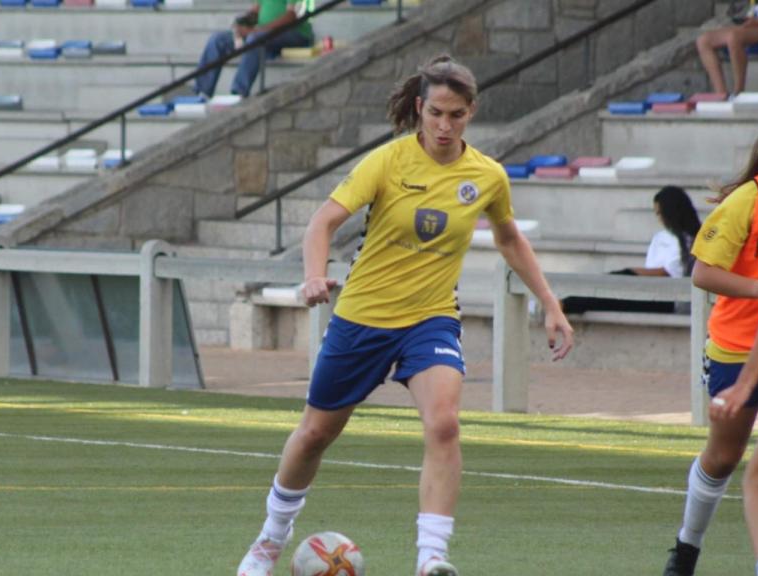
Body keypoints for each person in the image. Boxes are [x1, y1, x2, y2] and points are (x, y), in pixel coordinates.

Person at [235, 55, 575, 576]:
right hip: (363, 318)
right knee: (314, 435)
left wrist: (550, 305)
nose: (444, 126)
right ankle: (268, 542)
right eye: (436, 112)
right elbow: (323, 222)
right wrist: (312, 275)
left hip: (431, 319)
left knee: (444, 424)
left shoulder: (486, 175)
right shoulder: (387, 162)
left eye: (456, 115)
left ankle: (431, 558)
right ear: (419, 108)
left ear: (471, 113)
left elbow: (509, 239)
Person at [662, 89, 758, 576]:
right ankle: (686, 548)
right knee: (723, 457)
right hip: (737, 344)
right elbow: (701, 273)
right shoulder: (751, 198)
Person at [562, 185, 702, 314]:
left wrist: (630, 273)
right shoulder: (662, 237)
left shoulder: (692, 240)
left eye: (661, 213)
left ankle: (566, 304)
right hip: (651, 290)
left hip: (671, 300)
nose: (659, 219)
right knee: (608, 285)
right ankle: (566, 303)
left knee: (613, 292)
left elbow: (666, 273)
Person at [194, 0, 315, 98]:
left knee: (255, 39)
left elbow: (292, 16)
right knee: (218, 39)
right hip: (263, 34)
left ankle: (238, 94)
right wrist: (242, 22)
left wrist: (256, 30)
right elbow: (256, 10)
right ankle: (201, 94)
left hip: (294, 34)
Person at [696, 0, 758, 96]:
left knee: (734, 38)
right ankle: (721, 93)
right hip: (755, 22)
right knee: (704, 41)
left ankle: (739, 91)